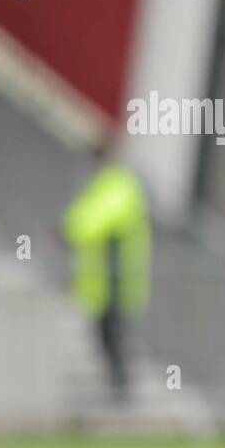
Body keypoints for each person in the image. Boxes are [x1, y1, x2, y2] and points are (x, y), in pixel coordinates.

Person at [61, 142, 152, 403]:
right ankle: (118, 389)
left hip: (118, 283)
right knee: (104, 337)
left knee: (114, 338)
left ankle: (122, 391)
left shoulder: (118, 185)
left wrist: (68, 229)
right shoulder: (104, 186)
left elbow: (97, 219)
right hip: (103, 287)